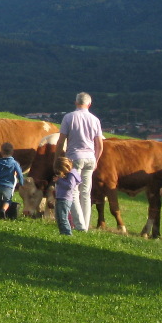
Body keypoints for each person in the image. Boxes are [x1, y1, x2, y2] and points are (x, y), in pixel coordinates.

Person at [55, 92, 103, 232]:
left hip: (74, 157)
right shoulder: (95, 120)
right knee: (86, 193)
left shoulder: (69, 117)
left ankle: (80, 226)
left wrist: (57, 159)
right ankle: (85, 225)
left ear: (76, 103)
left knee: (73, 191)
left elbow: (61, 141)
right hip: (90, 158)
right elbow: (100, 145)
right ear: (89, 104)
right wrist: (96, 160)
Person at [0, 142, 25, 218]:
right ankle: (3, 210)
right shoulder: (15, 163)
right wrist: (21, 183)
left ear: (1, 152)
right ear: (12, 152)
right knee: (7, 201)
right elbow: (20, 174)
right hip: (8, 186)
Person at [53, 156, 81, 235]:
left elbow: (70, 186)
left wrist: (59, 180)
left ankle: (67, 233)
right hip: (60, 198)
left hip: (65, 199)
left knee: (63, 218)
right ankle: (62, 232)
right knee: (59, 217)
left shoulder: (71, 175)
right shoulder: (67, 174)